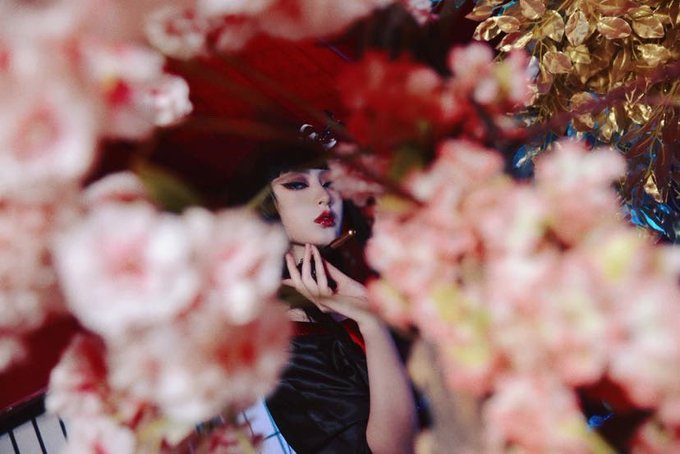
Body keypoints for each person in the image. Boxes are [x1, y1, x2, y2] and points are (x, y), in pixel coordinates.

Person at [248, 137, 418, 454]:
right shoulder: (285, 342)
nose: (324, 196)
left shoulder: (356, 281)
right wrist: (371, 323)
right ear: (265, 205)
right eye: (297, 185)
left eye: (329, 183)